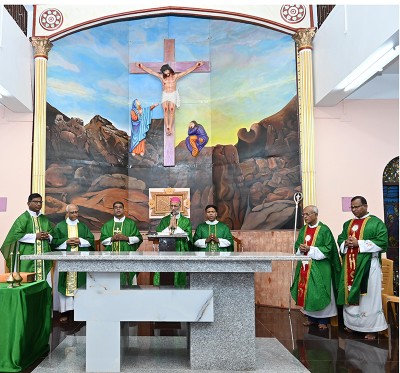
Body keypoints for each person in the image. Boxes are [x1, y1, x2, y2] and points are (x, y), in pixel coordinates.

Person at [337, 196, 388, 340]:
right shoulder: (348, 224)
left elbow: (382, 242)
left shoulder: (376, 222)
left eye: (357, 207)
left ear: (365, 206)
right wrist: (345, 243)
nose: (354, 210)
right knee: (351, 293)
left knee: (369, 297)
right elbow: (340, 239)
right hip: (350, 266)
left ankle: (371, 328)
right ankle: (352, 325)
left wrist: (359, 243)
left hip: (368, 266)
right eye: (352, 207)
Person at [290, 205, 342, 330]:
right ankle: (311, 318)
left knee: (320, 291)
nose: (305, 217)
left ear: (315, 214)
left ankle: (323, 320)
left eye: (307, 214)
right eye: (303, 215)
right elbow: (297, 245)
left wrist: (310, 249)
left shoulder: (324, 230)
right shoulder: (303, 230)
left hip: (320, 267)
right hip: (305, 266)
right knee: (308, 292)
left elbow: (329, 249)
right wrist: (300, 249)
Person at [52, 204, 95, 323]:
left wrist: (80, 241)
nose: (75, 214)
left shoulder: (83, 226)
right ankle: (65, 312)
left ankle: (80, 311)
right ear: (67, 213)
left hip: (80, 261)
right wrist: (66, 241)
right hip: (65, 260)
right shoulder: (60, 227)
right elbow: (54, 242)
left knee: (80, 284)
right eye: (72, 212)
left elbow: (91, 241)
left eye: (76, 212)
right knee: (65, 284)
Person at [136, 61, 204, 135]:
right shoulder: (162, 77)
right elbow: (152, 72)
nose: (165, 72)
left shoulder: (175, 76)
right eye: (164, 71)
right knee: (165, 110)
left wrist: (196, 66)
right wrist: (142, 66)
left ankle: (170, 127)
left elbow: (186, 72)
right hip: (165, 94)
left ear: (169, 69)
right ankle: (167, 126)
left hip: (172, 94)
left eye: (166, 70)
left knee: (171, 109)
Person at [0, 193, 54, 283]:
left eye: (40, 202)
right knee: (27, 280)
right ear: (28, 203)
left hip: (43, 255)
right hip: (27, 254)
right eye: (36, 202)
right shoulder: (23, 218)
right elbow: (16, 235)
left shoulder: (44, 219)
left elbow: (52, 233)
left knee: (44, 281)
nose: (39, 204)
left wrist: (48, 236)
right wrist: (35, 236)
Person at [100, 201, 143, 286]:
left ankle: (130, 296)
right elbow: (103, 240)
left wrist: (126, 238)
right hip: (112, 257)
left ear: (123, 209)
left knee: (128, 278)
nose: (118, 209)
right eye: (116, 207)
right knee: (112, 281)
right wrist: (112, 239)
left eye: (120, 207)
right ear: (113, 210)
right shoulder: (108, 224)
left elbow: (138, 238)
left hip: (128, 256)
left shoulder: (130, 223)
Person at [154, 197, 193, 287]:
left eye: (175, 206)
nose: (173, 208)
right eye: (171, 205)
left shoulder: (185, 220)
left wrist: (176, 227)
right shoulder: (164, 220)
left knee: (179, 272)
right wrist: (169, 227)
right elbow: (158, 233)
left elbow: (188, 235)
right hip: (165, 249)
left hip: (180, 249)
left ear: (180, 206)